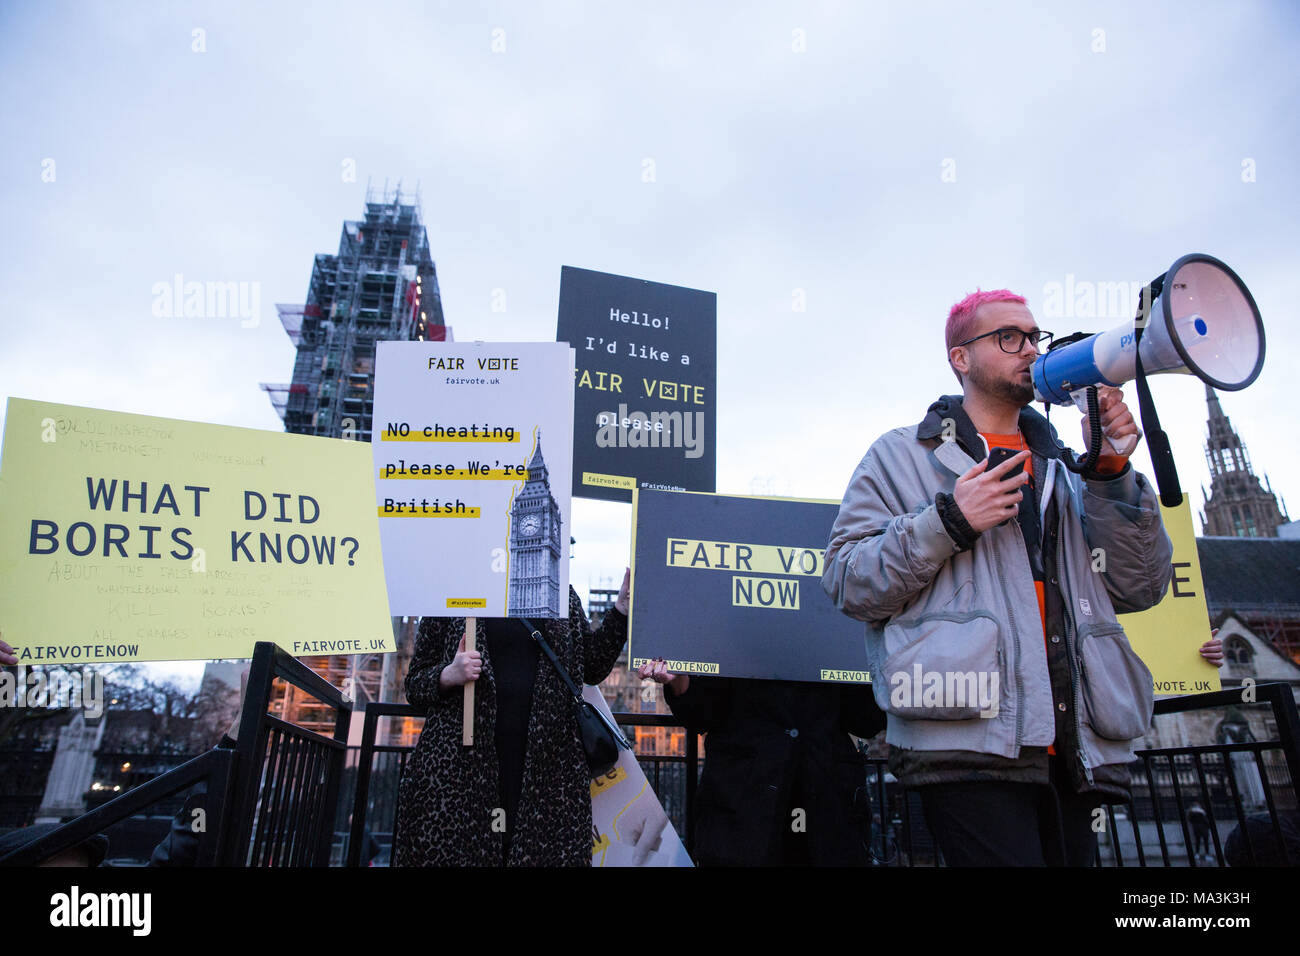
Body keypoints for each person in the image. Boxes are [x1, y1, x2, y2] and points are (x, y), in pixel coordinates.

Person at [822, 288, 1174, 867]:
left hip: (1077, 744)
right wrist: (949, 522)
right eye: (1009, 337)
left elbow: (1141, 585)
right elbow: (845, 579)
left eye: (1034, 336)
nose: (1030, 349)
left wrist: (1112, 474)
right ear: (961, 358)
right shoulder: (899, 455)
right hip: (966, 744)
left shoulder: (1070, 464)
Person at [393, 571, 629, 867]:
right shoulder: (453, 587)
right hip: (463, 773)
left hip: (546, 775)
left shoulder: (558, 592)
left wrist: (620, 611)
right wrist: (449, 674)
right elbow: (415, 683)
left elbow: (591, 667)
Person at [638, 659, 884, 866]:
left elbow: (866, 719)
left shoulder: (841, 618)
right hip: (743, 809)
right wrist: (681, 682)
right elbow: (705, 711)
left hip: (827, 812)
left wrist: (884, 666)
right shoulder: (725, 624)